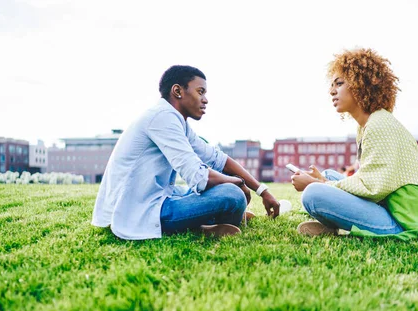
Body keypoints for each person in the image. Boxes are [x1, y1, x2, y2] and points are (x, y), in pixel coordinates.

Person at [92, 65, 279, 239]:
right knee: (232, 193)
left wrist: (263, 191)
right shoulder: (162, 117)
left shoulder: (176, 120)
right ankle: (208, 222)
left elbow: (218, 159)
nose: (205, 99)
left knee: (223, 180)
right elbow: (199, 177)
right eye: (200, 92)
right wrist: (238, 183)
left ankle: (214, 217)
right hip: (136, 210)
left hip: (157, 194)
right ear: (178, 91)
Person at [291, 48, 418, 239]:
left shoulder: (378, 125)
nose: (332, 91)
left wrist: (319, 183)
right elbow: (370, 181)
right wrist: (324, 180)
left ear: (362, 85)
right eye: (332, 85)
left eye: (339, 83)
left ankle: (340, 224)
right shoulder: (369, 124)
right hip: (385, 205)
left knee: (313, 194)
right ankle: (335, 225)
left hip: (401, 222)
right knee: (328, 176)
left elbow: (371, 187)